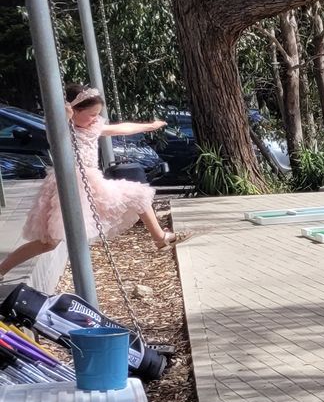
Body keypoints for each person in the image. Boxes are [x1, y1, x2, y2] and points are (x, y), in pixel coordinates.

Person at [0, 85, 186, 289]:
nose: (94, 119)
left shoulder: (92, 127)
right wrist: (65, 113)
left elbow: (120, 128)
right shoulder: (63, 128)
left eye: (97, 115)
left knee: (138, 193)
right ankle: (2, 269)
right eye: (90, 115)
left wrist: (149, 126)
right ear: (75, 111)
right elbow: (56, 127)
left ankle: (160, 237)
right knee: (49, 242)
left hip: (90, 182)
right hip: (70, 184)